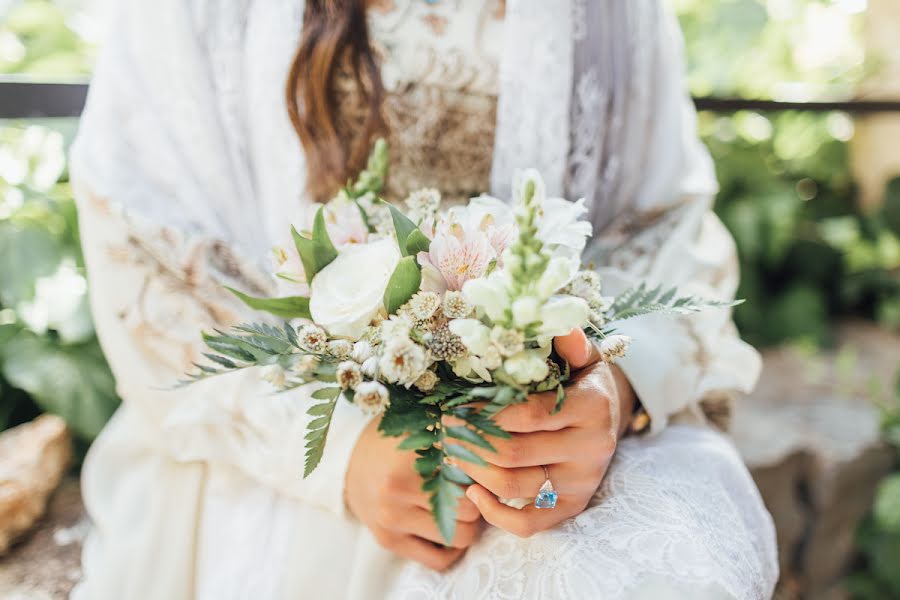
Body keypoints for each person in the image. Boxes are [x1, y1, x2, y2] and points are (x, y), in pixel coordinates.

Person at [69, 1, 778, 598]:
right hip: (292, 452)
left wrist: (612, 388)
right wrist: (344, 456)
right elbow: (143, 246)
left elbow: (668, 226)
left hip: (559, 434)